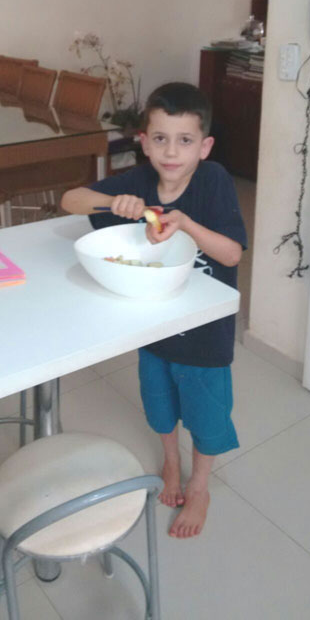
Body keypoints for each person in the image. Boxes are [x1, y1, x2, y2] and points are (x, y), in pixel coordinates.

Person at [61, 82, 247, 539]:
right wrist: (113, 202)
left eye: (185, 140)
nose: (171, 152)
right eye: (160, 138)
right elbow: (70, 200)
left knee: (206, 415)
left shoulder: (213, 181)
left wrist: (187, 224)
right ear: (144, 142)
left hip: (205, 334)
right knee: (160, 406)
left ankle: (199, 485)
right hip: (152, 328)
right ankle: (170, 462)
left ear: (204, 147)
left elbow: (231, 254)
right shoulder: (139, 182)